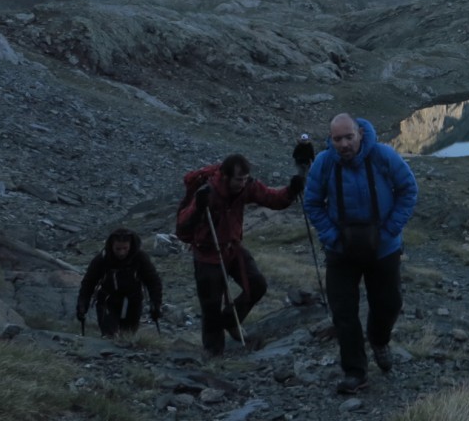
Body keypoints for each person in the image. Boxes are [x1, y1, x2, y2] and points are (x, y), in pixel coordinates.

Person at [304, 113, 418, 394]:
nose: (344, 144)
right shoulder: (324, 163)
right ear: (331, 140)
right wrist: (332, 237)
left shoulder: (382, 155)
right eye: (337, 139)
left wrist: (389, 230)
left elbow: (408, 189)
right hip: (341, 251)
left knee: (389, 303)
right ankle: (355, 371)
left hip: (383, 248)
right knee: (343, 312)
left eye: (348, 137)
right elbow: (312, 202)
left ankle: (379, 340)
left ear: (360, 134)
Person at [176, 153, 304, 356]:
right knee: (210, 306)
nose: (243, 183)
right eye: (239, 179)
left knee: (257, 284)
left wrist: (291, 191)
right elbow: (182, 226)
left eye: (245, 179)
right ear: (225, 176)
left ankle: (230, 320)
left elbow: (272, 198)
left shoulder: (247, 187)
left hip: (232, 248)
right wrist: (199, 208)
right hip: (207, 254)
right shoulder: (207, 191)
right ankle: (214, 354)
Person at [75, 227, 163, 337]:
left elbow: (153, 282)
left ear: (130, 245)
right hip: (107, 301)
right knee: (109, 337)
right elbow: (88, 283)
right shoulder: (103, 259)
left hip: (133, 302)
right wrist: (82, 304)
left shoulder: (140, 258)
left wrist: (156, 304)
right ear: (111, 246)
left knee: (127, 337)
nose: (121, 252)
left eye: (125, 248)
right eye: (118, 249)